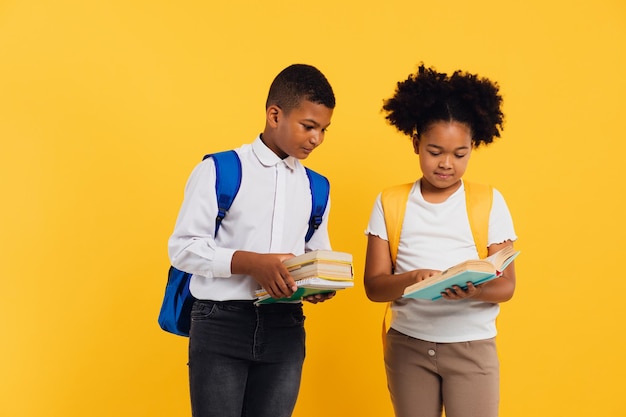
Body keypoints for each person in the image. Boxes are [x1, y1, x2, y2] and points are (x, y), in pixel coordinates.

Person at [168, 64, 336, 417]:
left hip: (286, 326)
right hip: (220, 323)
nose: (316, 138)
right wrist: (251, 263)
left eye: (323, 129)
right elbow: (183, 248)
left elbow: (316, 251)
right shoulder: (220, 170)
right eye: (309, 126)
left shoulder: (316, 187)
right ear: (275, 115)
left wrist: (320, 283)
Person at [363, 64, 517, 417]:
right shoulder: (390, 202)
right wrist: (411, 279)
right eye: (435, 152)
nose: (446, 163)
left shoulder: (490, 202)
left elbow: (507, 286)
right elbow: (374, 287)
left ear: (472, 147)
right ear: (416, 142)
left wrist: (474, 290)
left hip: (471, 347)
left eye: (459, 154)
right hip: (408, 347)